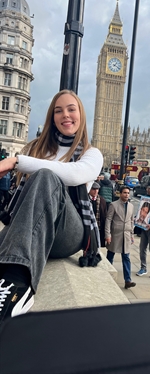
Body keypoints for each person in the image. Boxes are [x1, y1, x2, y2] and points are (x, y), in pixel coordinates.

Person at [0, 89, 103, 325]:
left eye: (71, 109)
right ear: (52, 118)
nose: (65, 115)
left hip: (68, 232)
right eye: (58, 111)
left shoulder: (91, 153)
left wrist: (17, 161)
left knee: (46, 176)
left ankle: (19, 285)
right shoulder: (37, 149)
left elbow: (75, 175)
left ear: (81, 115)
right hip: (32, 228)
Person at [105, 186, 136, 289]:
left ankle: (128, 280)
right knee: (110, 255)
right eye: (124, 193)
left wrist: (132, 235)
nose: (126, 194)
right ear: (120, 194)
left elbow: (131, 221)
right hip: (115, 234)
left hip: (126, 235)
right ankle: (107, 276)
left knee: (126, 257)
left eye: (128, 193)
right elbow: (108, 220)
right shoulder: (113, 205)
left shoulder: (131, 206)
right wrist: (108, 235)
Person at [89, 181, 108, 247]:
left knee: (96, 243)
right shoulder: (86, 199)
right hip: (88, 226)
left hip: (98, 226)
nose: (96, 191)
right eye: (93, 189)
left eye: (97, 189)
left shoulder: (102, 200)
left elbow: (105, 215)